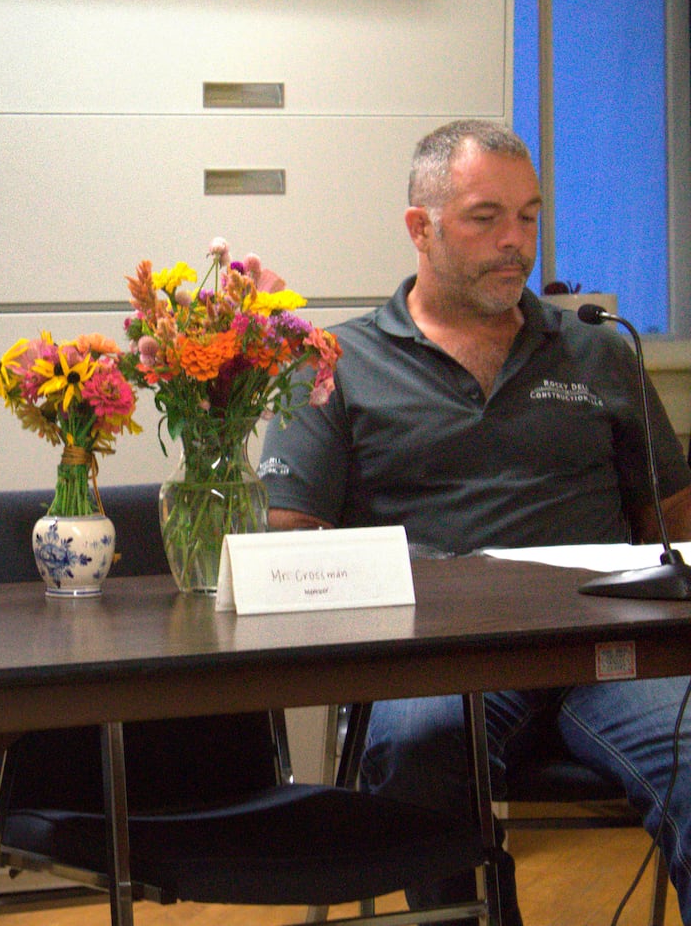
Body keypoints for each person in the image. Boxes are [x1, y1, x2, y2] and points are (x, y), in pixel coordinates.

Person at [258, 119, 691, 924]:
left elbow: (670, 518)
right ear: (419, 227)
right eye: (485, 218)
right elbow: (293, 536)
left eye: (529, 217)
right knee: (416, 748)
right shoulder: (333, 362)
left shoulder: (598, 352)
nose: (516, 242)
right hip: (441, 658)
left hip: (601, 647)